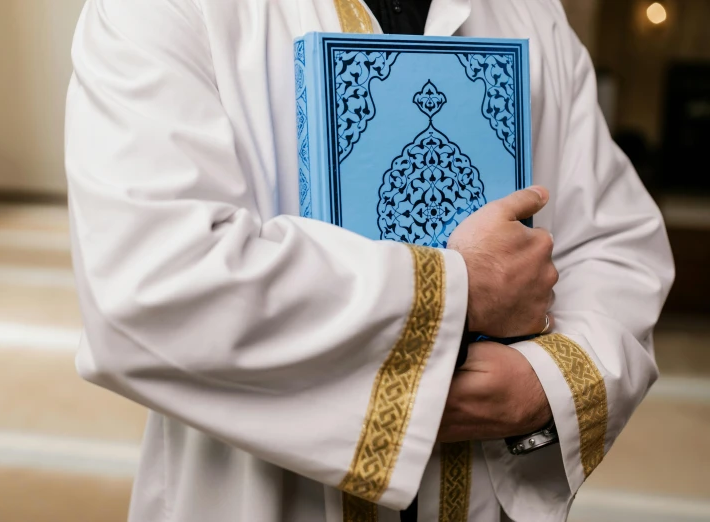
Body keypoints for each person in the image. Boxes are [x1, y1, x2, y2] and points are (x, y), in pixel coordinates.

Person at [64, 0, 674, 521]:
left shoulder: (529, 11)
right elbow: (149, 281)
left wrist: (544, 385)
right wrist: (461, 289)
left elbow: (616, 242)